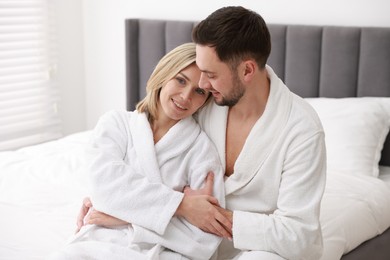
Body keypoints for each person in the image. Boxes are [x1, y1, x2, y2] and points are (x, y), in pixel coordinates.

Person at [77, 6, 327, 260]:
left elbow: (300, 236)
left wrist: (207, 215)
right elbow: (147, 164)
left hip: (253, 248)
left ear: (247, 71)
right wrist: (117, 204)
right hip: (178, 243)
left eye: (210, 75)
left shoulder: (301, 129)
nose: (202, 86)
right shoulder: (203, 106)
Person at [49, 42, 225, 260]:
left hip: (163, 253)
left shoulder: (202, 150)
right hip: (100, 241)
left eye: (199, 91)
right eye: (180, 80)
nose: (186, 96)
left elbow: (204, 239)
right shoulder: (116, 124)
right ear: (163, 75)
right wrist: (182, 205)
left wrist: (125, 218)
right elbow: (104, 189)